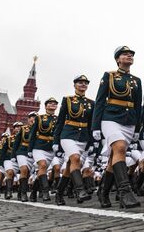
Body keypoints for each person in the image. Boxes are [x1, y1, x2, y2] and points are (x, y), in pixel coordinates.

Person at [92, 46, 142, 209]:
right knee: (119, 147)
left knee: (115, 156)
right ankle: (124, 192)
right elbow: (100, 101)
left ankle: (103, 192)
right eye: (125, 54)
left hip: (129, 121)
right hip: (111, 118)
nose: (129, 56)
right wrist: (95, 126)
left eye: (131, 55)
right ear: (117, 59)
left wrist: (137, 129)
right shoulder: (109, 76)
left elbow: (137, 106)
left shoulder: (136, 80)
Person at [53, 75, 95, 205]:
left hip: (83, 137)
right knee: (75, 158)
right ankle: (80, 190)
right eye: (80, 83)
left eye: (85, 83)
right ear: (75, 85)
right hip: (68, 135)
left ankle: (59, 193)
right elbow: (60, 121)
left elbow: (91, 123)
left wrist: (92, 142)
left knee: (70, 167)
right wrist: (56, 141)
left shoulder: (91, 103)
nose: (83, 85)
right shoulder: (68, 100)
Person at [28, 97, 59, 201]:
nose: (53, 104)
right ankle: (45, 191)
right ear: (46, 106)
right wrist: (29, 149)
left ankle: (33, 192)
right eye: (50, 103)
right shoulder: (39, 118)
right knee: (43, 165)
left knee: (42, 170)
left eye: (55, 103)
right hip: (39, 147)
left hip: (51, 148)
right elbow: (32, 134)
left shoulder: (58, 119)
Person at [12, 112, 37, 202]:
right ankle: (24, 193)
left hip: (33, 153)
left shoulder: (40, 129)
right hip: (22, 151)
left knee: (28, 174)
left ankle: (20, 191)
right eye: (31, 117)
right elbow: (16, 143)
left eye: (35, 118)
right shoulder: (23, 129)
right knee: (24, 169)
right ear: (28, 119)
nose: (33, 119)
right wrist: (13, 155)